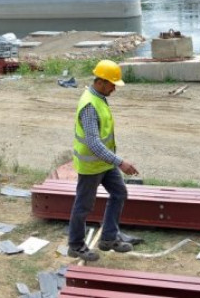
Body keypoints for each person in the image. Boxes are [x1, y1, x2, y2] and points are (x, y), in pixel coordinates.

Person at [67, 59, 139, 262]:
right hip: (91, 165)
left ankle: (109, 238)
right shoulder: (89, 106)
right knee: (83, 206)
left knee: (119, 193)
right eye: (112, 84)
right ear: (100, 82)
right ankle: (75, 245)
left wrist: (113, 161)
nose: (114, 89)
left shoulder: (99, 97)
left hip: (104, 163)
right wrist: (120, 162)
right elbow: (94, 144)